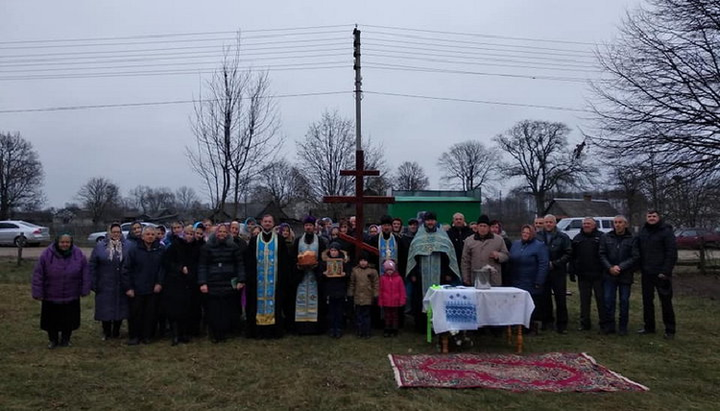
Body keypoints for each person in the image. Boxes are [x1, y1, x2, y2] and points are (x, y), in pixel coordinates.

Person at [32, 234, 90, 348]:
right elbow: (38, 275)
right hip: (51, 294)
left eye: (67, 242)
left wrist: (85, 289)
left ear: (71, 243)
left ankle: (66, 340)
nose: (65, 244)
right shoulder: (46, 255)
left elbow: (86, 273)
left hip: (71, 294)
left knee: (68, 320)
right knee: (51, 320)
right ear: (57, 243)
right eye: (62, 242)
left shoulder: (78, 254)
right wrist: (38, 292)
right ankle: (53, 340)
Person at [406, 211, 461, 333]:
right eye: (428, 220)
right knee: (419, 299)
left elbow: (449, 256)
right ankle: (421, 327)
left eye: (432, 220)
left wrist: (448, 273)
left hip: (440, 274)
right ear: (424, 222)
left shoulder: (442, 236)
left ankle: (438, 326)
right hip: (421, 275)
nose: (430, 222)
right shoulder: (419, 237)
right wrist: (414, 274)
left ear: (436, 221)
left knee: (439, 300)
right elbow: (413, 256)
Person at [197, 223, 245, 343]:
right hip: (212, 282)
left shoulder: (233, 247)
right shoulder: (207, 247)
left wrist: (241, 280)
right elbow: (202, 266)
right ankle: (214, 333)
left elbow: (240, 264)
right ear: (216, 233)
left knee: (226, 309)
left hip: (228, 282)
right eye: (220, 231)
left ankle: (224, 333)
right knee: (214, 310)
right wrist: (202, 282)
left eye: (224, 232)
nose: (222, 234)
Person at [246, 214, 290, 339]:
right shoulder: (255, 240)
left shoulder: (279, 240)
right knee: (256, 305)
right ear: (261, 222)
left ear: (273, 223)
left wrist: (283, 279)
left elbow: (284, 262)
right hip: (258, 281)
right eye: (265, 221)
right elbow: (249, 261)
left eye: (269, 221)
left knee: (275, 305)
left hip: (274, 282)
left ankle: (273, 331)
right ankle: (258, 331)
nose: (267, 223)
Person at [635, 210, 678, 339]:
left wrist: (666, 271)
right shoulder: (643, 231)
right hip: (646, 272)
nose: (651, 218)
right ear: (646, 217)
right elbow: (637, 250)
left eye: (654, 216)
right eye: (649, 216)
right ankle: (649, 326)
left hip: (661, 273)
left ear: (658, 218)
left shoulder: (666, 231)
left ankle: (670, 329)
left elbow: (671, 253)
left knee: (665, 302)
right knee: (647, 301)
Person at [122, 226, 165, 345]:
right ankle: (135, 336)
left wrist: (159, 283)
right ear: (142, 236)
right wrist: (128, 287)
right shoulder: (134, 250)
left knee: (150, 314)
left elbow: (163, 269)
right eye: (148, 234)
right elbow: (126, 269)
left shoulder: (160, 249)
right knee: (136, 314)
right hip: (137, 288)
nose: (150, 236)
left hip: (153, 288)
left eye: (152, 234)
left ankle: (148, 336)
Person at [162, 224, 203, 345]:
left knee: (188, 309)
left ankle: (185, 333)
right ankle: (175, 334)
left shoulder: (197, 247)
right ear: (182, 234)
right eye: (187, 234)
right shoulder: (175, 245)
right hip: (176, 282)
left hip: (191, 283)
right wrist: (180, 268)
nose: (189, 236)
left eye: (191, 234)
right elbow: (167, 262)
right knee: (176, 310)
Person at [599, 215, 638, 336]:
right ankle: (609, 326)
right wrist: (610, 267)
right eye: (615, 222)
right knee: (608, 300)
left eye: (620, 222)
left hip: (625, 274)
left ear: (625, 224)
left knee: (624, 301)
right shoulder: (606, 237)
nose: (617, 224)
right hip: (609, 274)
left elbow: (635, 256)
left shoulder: (632, 238)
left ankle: (623, 327)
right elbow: (601, 254)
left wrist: (620, 267)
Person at [89, 223, 129, 340]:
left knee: (120, 308)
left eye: (118, 232)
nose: (116, 234)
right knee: (105, 309)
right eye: (114, 232)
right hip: (105, 283)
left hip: (121, 283)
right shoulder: (100, 246)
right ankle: (106, 331)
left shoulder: (127, 246)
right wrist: (93, 282)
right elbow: (92, 265)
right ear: (109, 232)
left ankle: (116, 331)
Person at [570, 218, 608, 333]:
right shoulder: (577, 238)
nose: (586, 225)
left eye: (588, 224)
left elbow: (605, 254)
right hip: (583, 275)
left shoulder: (602, 237)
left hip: (598, 275)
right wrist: (572, 271)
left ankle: (604, 324)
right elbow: (572, 256)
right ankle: (584, 323)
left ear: (594, 225)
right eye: (584, 224)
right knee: (584, 301)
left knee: (601, 300)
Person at [508, 225, 548, 333]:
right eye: (524, 232)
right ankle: (518, 325)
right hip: (516, 280)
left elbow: (543, 264)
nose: (525, 234)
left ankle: (530, 326)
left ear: (532, 234)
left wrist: (539, 281)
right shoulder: (515, 244)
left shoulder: (539, 246)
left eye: (528, 233)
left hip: (531, 280)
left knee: (530, 305)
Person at [291, 216, 327, 335]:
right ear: (304, 227)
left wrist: (317, 265)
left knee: (315, 301)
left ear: (314, 227)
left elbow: (324, 258)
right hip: (301, 277)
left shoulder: (320, 241)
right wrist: (298, 266)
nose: (308, 227)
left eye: (310, 225)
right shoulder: (298, 240)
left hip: (314, 276)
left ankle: (315, 328)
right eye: (306, 225)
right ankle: (300, 328)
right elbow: (292, 258)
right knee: (300, 300)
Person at [537, 214, 572, 334]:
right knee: (545, 298)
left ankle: (562, 325)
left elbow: (568, 253)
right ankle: (547, 322)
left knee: (560, 298)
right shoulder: (538, 236)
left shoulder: (563, 237)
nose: (548, 224)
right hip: (543, 271)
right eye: (546, 222)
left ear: (555, 223)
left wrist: (555, 263)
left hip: (558, 272)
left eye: (550, 222)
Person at [461, 215, 509, 286]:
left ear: (489, 227)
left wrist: (498, 256)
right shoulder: (469, 241)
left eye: (485, 226)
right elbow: (465, 261)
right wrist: (466, 278)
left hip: (493, 279)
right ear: (477, 227)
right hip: (475, 278)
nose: (482, 228)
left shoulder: (499, 240)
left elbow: (506, 255)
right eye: (481, 226)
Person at [321, 242, 350, 338]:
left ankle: (339, 328)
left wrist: (345, 274)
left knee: (339, 311)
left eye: (335, 250)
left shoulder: (344, 262)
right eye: (332, 250)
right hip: (330, 290)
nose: (333, 252)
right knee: (331, 311)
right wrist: (324, 274)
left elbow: (349, 274)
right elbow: (320, 276)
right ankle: (331, 328)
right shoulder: (325, 262)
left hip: (340, 289)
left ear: (338, 251)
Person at [348, 257, 379, 338]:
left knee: (367, 315)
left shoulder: (373, 271)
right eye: (361, 260)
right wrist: (350, 293)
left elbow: (376, 284)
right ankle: (359, 331)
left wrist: (376, 294)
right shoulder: (355, 271)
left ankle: (367, 331)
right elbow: (352, 283)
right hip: (357, 296)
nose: (363, 262)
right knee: (358, 315)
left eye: (365, 260)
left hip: (368, 296)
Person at [378, 260, 406, 337]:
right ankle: (387, 329)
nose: (389, 271)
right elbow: (380, 290)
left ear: (394, 269)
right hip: (386, 302)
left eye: (391, 270)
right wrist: (380, 301)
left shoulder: (399, 278)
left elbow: (402, 290)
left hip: (395, 302)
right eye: (387, 270)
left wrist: (402, 300)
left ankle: (394, 329)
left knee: (395, 316)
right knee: (387, 316)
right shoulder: (382, 278)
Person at [490, 219, 514, 286]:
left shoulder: (506, 241)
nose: (494, 229)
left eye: (496, 227)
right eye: (492, 227)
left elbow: (508, 256)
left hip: (503, 271)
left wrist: (499, 256)